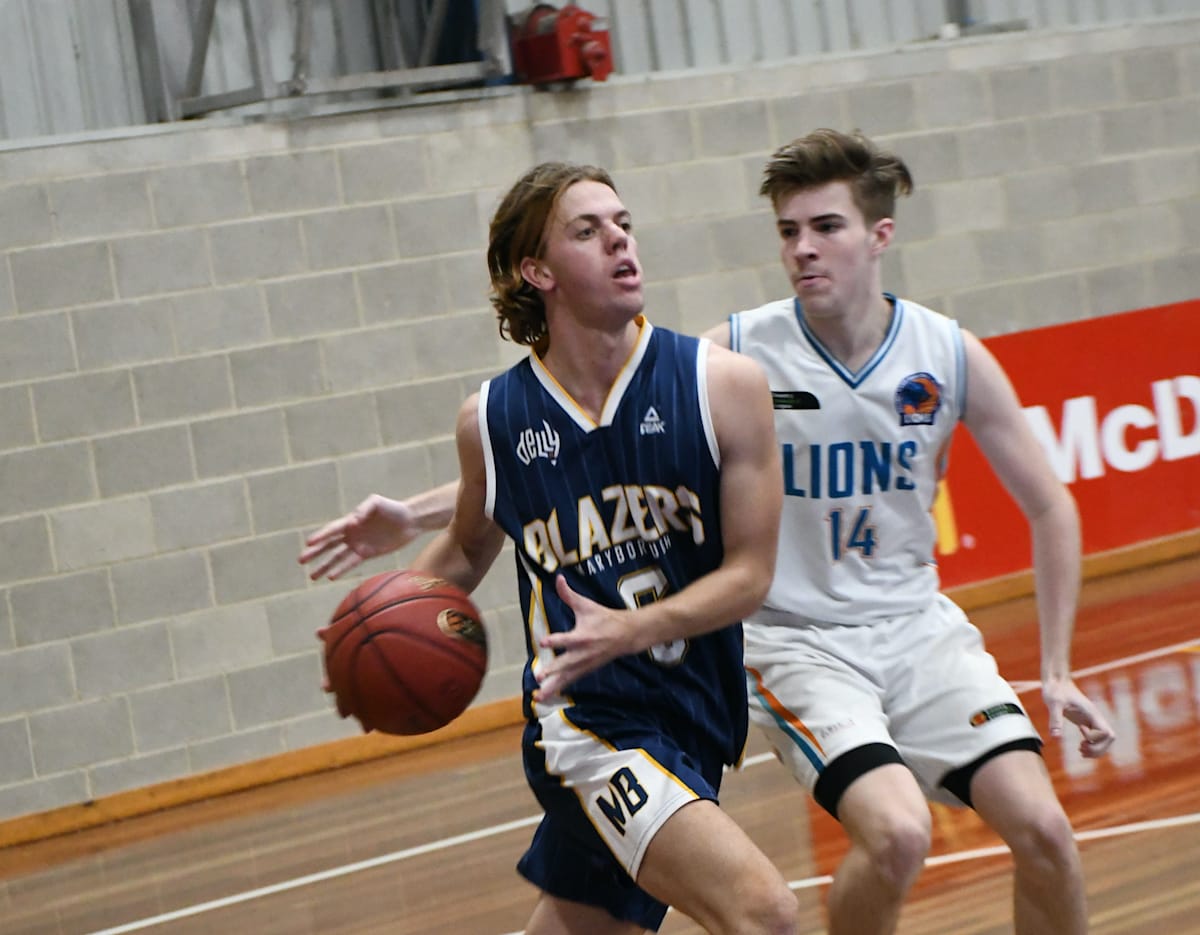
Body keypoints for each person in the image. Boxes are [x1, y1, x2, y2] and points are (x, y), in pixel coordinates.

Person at [300, 162, 799, 935]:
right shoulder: (493, 418)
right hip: (587, 723)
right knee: (766, 913)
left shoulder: (722, 386)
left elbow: (749, 577)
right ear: (537, 270)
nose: (620, 241)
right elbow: (465, 550)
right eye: (588, 230)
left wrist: (635, 627)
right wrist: (363, 637)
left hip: (697, 711)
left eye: (623, 224)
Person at [713, 128, 1115, 935]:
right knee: (899, 835)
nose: (802, 249)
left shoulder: (946, 351)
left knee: (1046, 832)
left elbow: (1051, 505)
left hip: (919, 631)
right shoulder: (737, 350)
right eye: (789, 231)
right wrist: (462, 498)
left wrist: (1059, 667)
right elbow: (600, 442)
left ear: (879, 235)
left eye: (825, 226)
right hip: (799, 643)